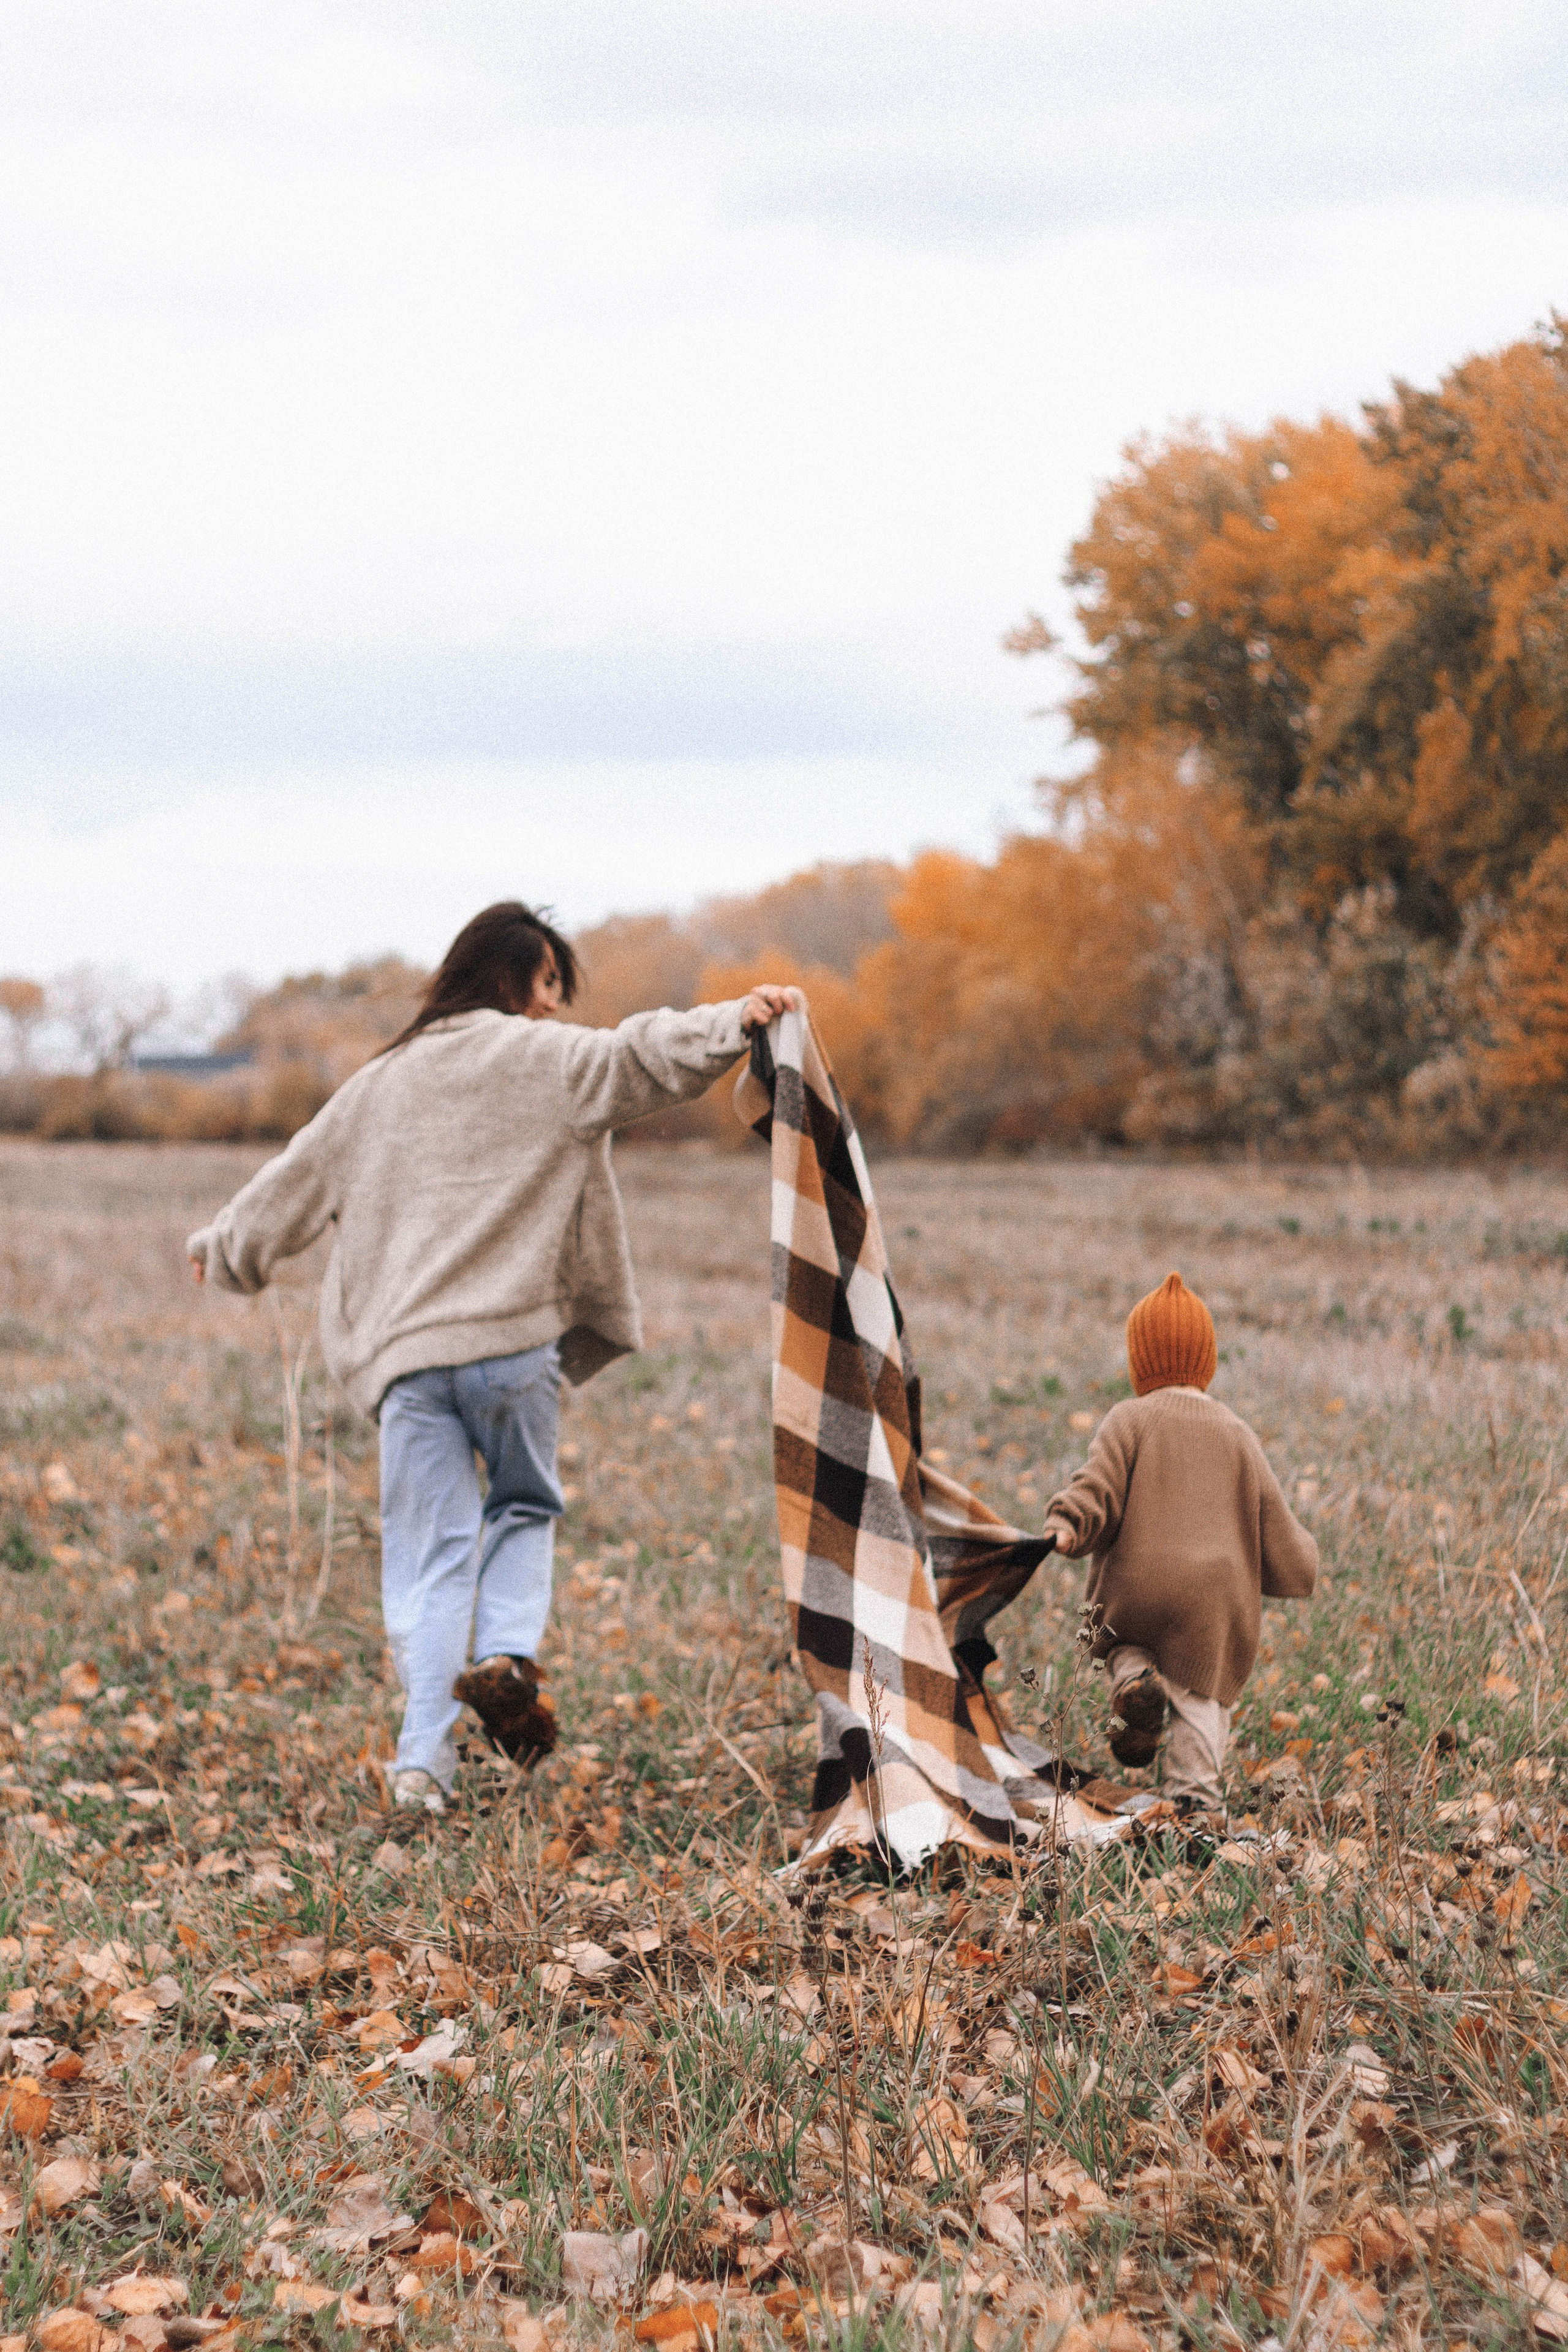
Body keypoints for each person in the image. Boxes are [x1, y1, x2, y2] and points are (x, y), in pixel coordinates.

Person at [187, 900, 792, 1815]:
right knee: (522, 1505)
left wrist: (224, 1246)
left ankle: (421, 1767)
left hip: (407, 1363)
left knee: (430, 1559)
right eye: (550, 984)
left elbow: (293, 1179)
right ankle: (507, 1657)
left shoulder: (378, 1084)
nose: (553, 1006)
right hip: (512, 1349)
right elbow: (639, 1055)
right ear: (515, 977)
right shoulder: (545, 1061)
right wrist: (733, 1020)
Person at [1040, 1271, 1318, 1817]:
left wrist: (1068, 1523)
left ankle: (1133, 1683)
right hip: (1211, 1601)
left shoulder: (1130, 1418)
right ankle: (1195, 1802)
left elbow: (1096, 1484)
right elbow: (1275, 1521)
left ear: (1139, 1363)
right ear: (1207, 1362)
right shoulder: (1237, 1432)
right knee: (1198, 1694)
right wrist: (1302, 1564)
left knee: (1123, 1645)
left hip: (1138, 1588)